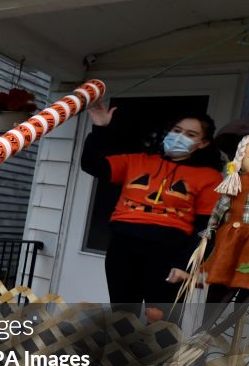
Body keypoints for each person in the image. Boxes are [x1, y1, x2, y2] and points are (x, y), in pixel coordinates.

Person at [80, 103, 224, 320]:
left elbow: (207, 226)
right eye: (177, 131)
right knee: (122, 316)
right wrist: (100, 127)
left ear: (202, 143)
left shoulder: (209, 177)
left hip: (168, 254)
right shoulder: (136, 161)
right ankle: (119, 354)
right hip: (123, 248)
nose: (180, 137)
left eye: (190, 134)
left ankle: (157, 356)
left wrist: (186, 264)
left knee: (161, 320)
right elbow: (92, 164)